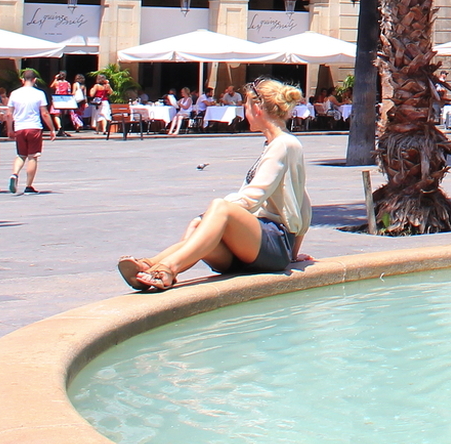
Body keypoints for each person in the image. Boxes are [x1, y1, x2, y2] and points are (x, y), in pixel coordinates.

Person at [117, 80, 309, 292]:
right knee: (200, 228)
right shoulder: (275, 144)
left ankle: (168, 268)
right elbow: (304, 204)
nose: (244, 112)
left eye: (245, 106)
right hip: (253, 251)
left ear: (256, 108)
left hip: (273, 243)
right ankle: (151, 266)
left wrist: (290, 253)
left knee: (220, 207)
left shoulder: (284, 144)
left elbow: (254, 198)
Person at [6, 69, 55, 194]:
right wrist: (52, 129)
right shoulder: (39, 94)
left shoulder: (14, 94)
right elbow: (44, 113)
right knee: (33, 156)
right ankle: (28, 186)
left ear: (22, 80)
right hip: (34, 127)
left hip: (19, 127)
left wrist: (10, 129)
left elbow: (9, 114)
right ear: (35, 80)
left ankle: (14, 174)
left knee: (21, 155)